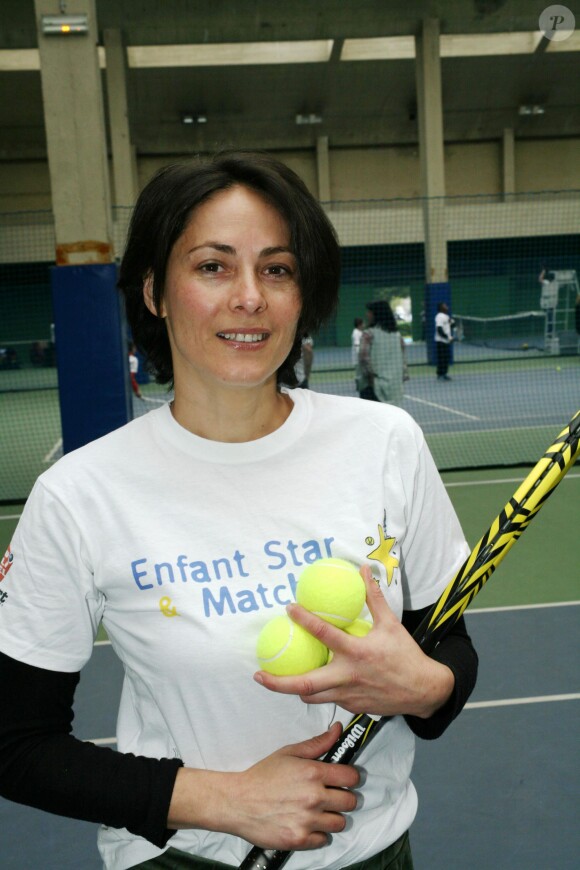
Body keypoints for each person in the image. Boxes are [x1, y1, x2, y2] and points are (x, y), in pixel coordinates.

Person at [0, 151, 478, 870]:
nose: (249, 297)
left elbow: (449, 648)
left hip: (379, 854)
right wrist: (222, 800)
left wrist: (427, 687)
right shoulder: (79, 493)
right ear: (156, 292)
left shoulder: (386, 443)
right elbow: (15, 744)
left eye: (277, 269)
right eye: (213, 267)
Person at [356, 300, 404, 405]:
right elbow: (403, 362)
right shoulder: (397, 335)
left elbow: (364, 359)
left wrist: (371, 379)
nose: (367, 314)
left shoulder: (368, 334)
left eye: (369, 312)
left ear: (376, 314)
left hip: (372, 387)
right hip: (394, 388)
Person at [434, 301, 454, 381]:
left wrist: (452, 322)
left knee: (446, 358)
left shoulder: (446, 316)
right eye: (444, 305)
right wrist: (447, 337)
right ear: (441, 308)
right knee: (442, 358)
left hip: (446, 342)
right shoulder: (439, 316)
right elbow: (439, 329)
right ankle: (440, 374)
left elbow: (452, 325)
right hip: (440, 341)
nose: (446, 306)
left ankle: (444, 374)